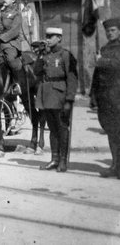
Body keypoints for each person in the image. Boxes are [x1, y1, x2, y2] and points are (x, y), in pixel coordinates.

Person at [33, 27, 78, 172]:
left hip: (60, 95)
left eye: (51, 36)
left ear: (59, 38)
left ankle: (63, 161)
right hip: (46, 95)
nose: (48, 39)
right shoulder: (45, 55)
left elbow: (72, 78)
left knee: (62, 129)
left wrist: (69, 100)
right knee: (52, 129)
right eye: (47, 36)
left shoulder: (65, 55)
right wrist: (40, 55)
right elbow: (36, 71)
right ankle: (54, 159)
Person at [91, 18, 120, 179]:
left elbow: (117, 64)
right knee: (111, 131)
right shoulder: (104, 48)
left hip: (118, 96)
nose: (110, 33)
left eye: (113, 30)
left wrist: (101, 61)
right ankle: (115, 165)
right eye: (108, 31)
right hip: (105, 97)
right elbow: (97, 74)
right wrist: (93, 95)